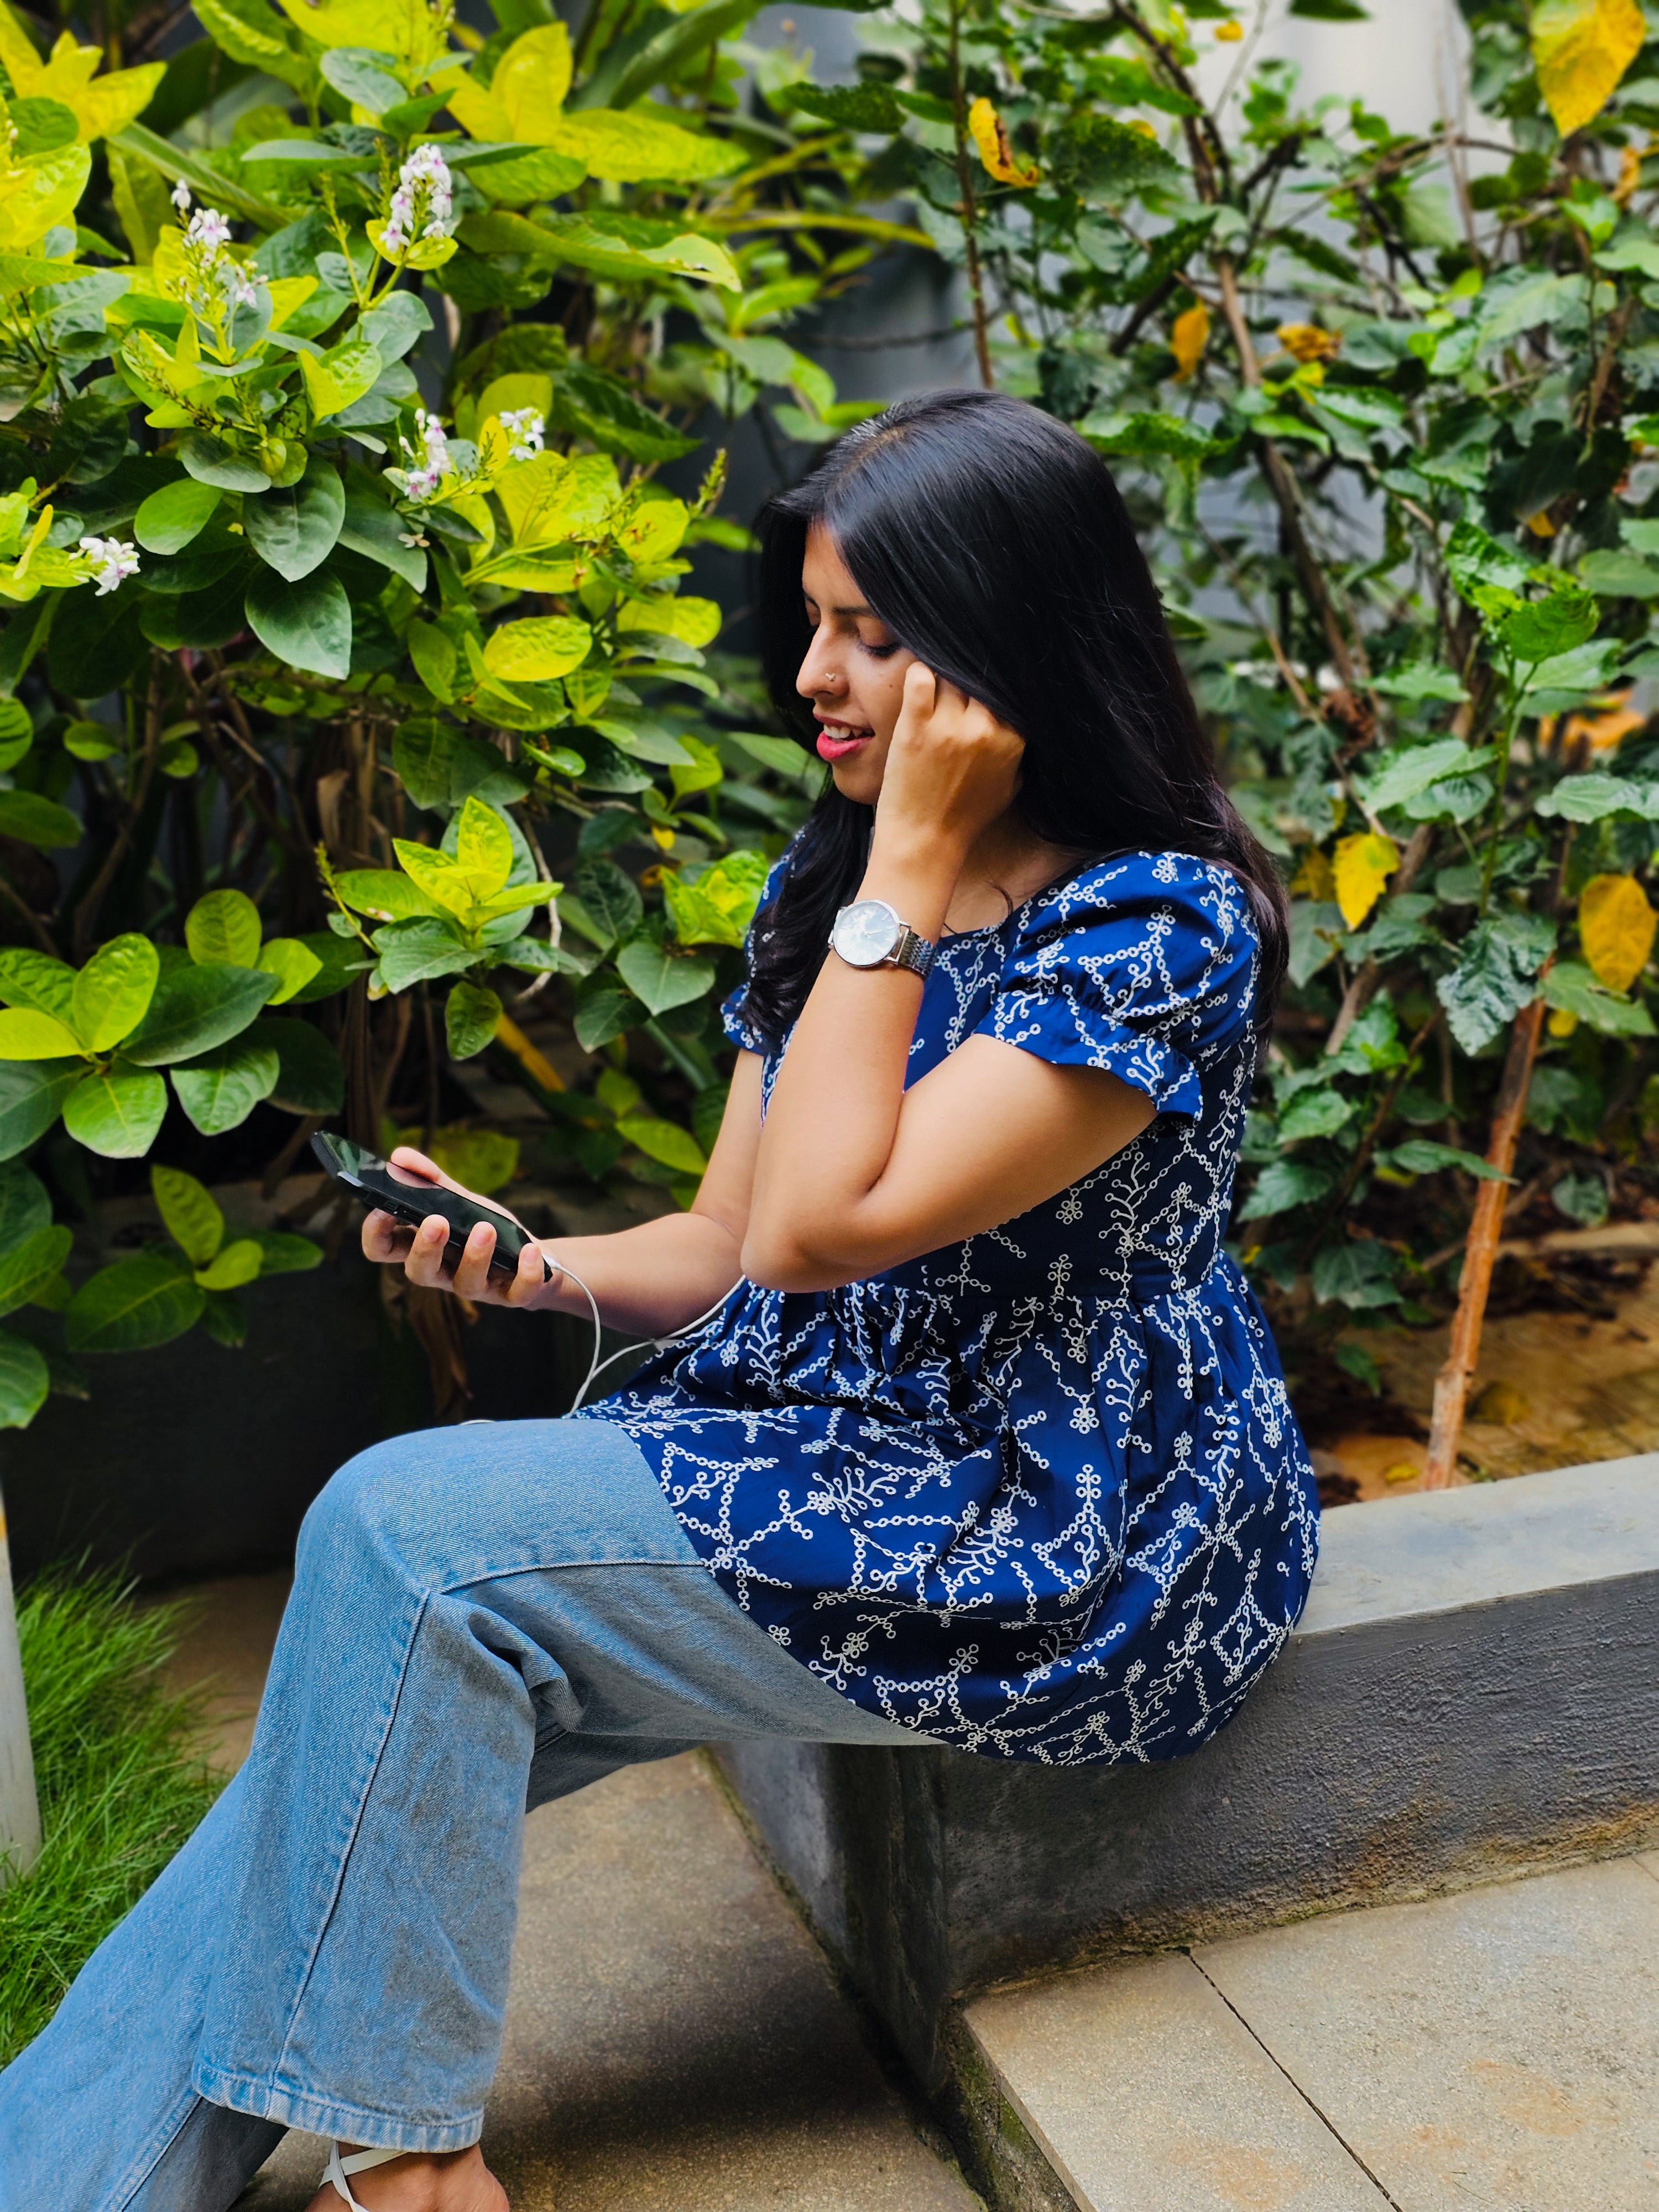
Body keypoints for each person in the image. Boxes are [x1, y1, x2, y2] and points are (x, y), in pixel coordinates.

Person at [0, 389, 1318, 2212]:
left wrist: (906, 878)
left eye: (876, 635)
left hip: (1048, 1525)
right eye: (817, 626)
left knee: (404, 1535)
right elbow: (725, 1234)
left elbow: (826, 1233)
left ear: (1010, 649)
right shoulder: (837, 879)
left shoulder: (1155, 928)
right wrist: (536, 1265)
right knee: (345, 1754)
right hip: (832, 1448)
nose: (818, 680)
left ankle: (413, 2166)